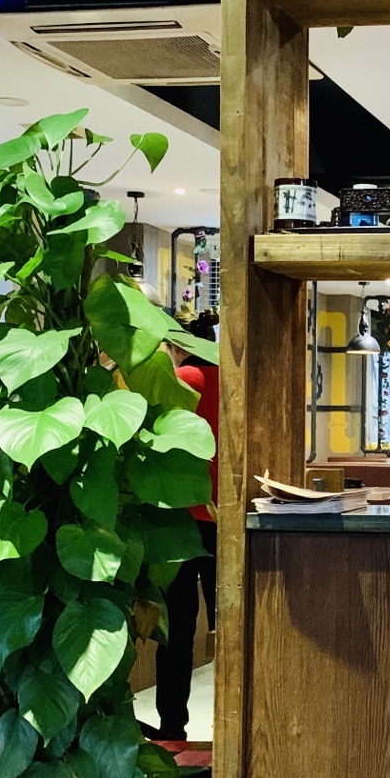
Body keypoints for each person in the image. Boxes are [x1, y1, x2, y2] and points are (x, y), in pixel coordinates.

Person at [158, 310, 218, 741]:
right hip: (225, 518)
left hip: (179, 519)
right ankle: (229, 730)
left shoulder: (181, 380)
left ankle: (172, 728)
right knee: (228, 630)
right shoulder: (234, 383)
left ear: (178, 345)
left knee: (177, 630)